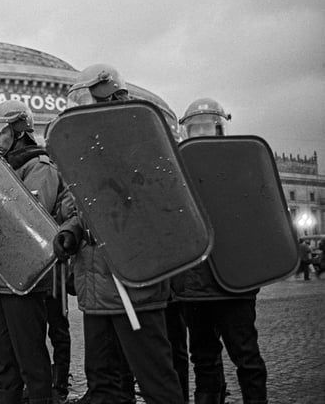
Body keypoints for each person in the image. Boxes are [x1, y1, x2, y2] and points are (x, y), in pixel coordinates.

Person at [52, 63, 185, 404]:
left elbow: (159, 209)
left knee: (155, 379)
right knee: (103, 382)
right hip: (96, 289)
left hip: (133, 282)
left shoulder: (142, 145)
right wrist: (71, 231)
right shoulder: (89, 153)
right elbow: (87, 211)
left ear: (112, 98)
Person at [173, 98, 268, 404]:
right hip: (205, 286)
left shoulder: (236, 166)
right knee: (211, 359)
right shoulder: (180, 168)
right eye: (195, 128)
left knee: (239, 357)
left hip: (229, 283)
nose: (200, 133)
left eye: (204, 127)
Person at [0, 99, 75, 404]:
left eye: (4, 131)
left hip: (25, 274)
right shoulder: (1, 167)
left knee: (30, 357)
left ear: (20, 131)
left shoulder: (40, 166)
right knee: (5, 358)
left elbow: (29, 215)